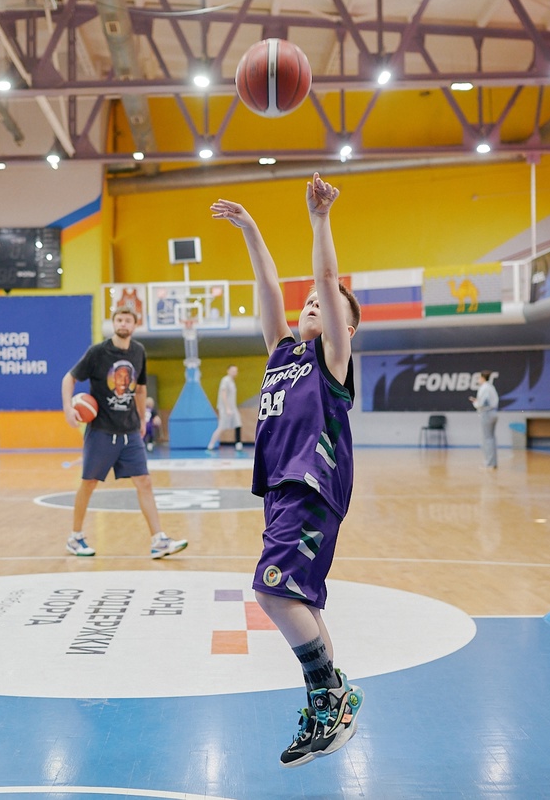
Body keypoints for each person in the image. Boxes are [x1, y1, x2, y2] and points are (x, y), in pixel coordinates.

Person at [210, 172, 364, 768]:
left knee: (271, 590)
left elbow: (325, 275)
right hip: (281, 491)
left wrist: (319, 219)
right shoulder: (282, 352)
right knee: (301, 601)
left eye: (328, 304)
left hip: (311, 485)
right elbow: (269, 286)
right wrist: (250, 229)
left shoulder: (332, 359)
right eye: (311, 302)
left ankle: (330, 697)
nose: (315, 303)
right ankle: (333, 700)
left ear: (346, 329)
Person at [62, 305, 188, 559]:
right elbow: (69, 378)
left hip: (129, 431)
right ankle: (75, 537)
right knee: (89, 483)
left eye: (128, 320)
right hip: (101, 431)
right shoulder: (98, 352)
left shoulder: (138, 351)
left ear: (134, 325)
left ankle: (158, 540)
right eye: (119, 319)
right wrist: (68, 408)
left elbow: (140, 389)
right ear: (114, 323)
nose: (123, 324)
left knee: (145, 481)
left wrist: (141, 419)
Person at [206, 365, 244, 452]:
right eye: (233, 371)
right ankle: (211, 445)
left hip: (233, 408)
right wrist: (227, 408)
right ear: (228, 371)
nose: (235, 373)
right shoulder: (225, 380)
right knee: (221, 427)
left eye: (236, 371)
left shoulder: (232, 382)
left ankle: (238, 444)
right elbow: (223, 394)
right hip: (225, 408)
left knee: (238, 424)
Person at [469, 370, 499, 469]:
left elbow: (481, 403)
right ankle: (493, 462)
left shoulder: (484, 388)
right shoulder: (491, 387)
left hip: (487, 413)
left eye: (479, 378)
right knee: (491, 438)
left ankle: (489, 463)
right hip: (494, 412)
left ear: (482, 378)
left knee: (487, 439)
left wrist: (475, 402)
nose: (478, 380)